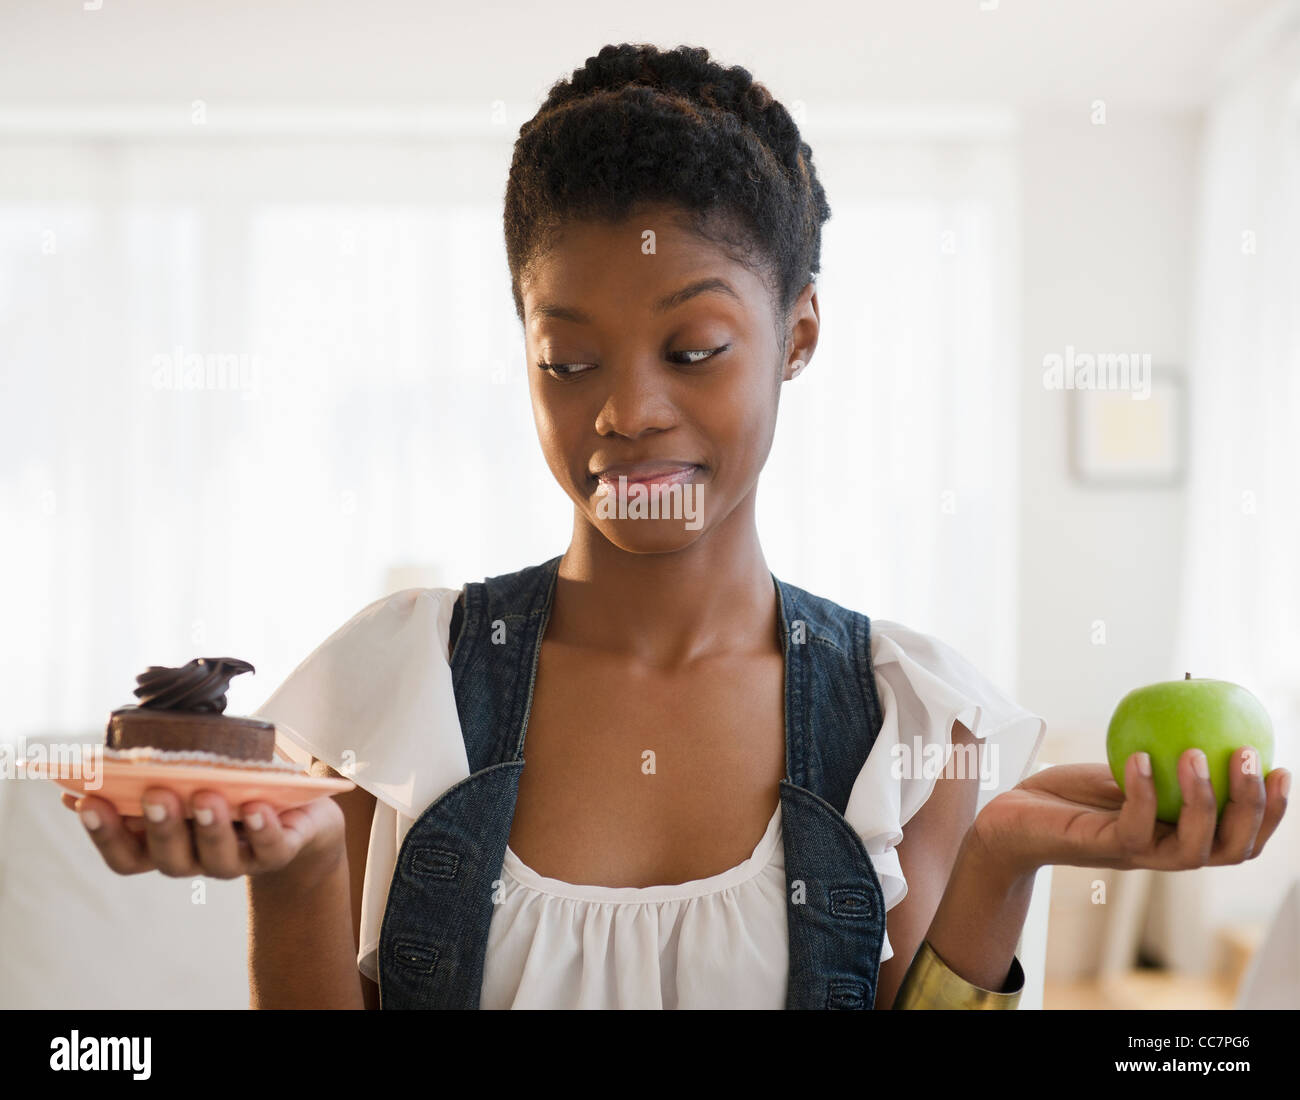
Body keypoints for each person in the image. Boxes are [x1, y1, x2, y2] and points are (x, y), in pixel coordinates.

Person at [67, 43, 1290, 1011]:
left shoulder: (911, 717)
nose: (626, 412)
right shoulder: (401, 680)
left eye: (693, 348)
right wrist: (303, 882)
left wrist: (1000, 856)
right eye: (568, 358)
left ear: (798, 333)